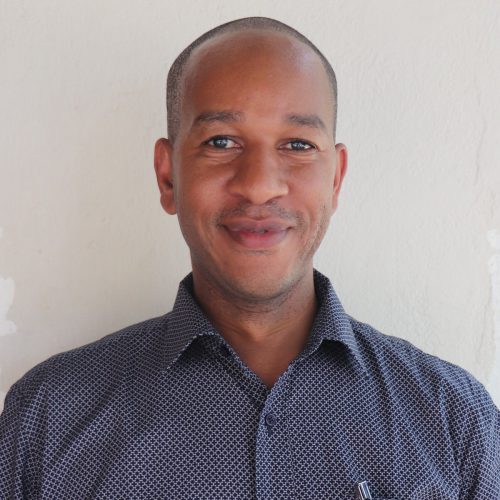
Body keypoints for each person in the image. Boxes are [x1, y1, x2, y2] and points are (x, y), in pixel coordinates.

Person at [0, 16, 498, 500]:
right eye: (221, 142)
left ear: (336, 179)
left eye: (298, 144)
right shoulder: (46, 420)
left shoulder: (455, 420)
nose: (259, 184)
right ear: (167, 176)